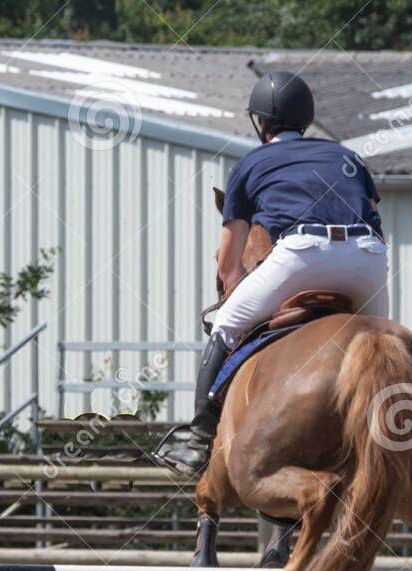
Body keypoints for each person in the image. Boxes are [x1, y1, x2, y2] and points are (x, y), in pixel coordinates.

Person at [156, 69, 389, 477]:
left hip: (302, 252)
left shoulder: (251, 163)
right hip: (367, 255)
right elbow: (373, 213)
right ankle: (397, 432)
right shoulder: (347, 156)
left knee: (227, 324)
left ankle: (197, 439)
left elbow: (229, 264)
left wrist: (233, 290)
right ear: (306, 119)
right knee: (383, 345)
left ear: (261, 122)